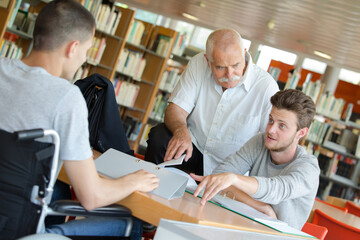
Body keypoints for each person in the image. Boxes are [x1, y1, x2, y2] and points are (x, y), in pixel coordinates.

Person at [0, 0, 159, 238]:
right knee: (130, 223)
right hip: (20, 231)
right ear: (72, 48)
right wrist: (133, 181)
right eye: (86, 51)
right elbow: (91, 196)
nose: (84, 59)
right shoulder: (64, 97)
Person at [145, 28, 279, 176]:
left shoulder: (266, 87)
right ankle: (149, 189)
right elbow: (176, 109)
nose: (229, 74)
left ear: (244, 54)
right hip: (192, 147)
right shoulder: (198, 64)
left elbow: (270, 142)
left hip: (230, 168)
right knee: (159, 136)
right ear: (208, 61)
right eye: (220, 67)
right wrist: (181, 131)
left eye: (235, 65)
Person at [191, 89, 320, 229]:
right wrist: (262, 208)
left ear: (301, 133)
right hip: (246, 227)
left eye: (282, 126)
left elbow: (275, 190)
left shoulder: (309, 169)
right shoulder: (261, 141)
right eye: (271, 120)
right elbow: (219, 176)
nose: (271, 130)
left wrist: (233, 180)